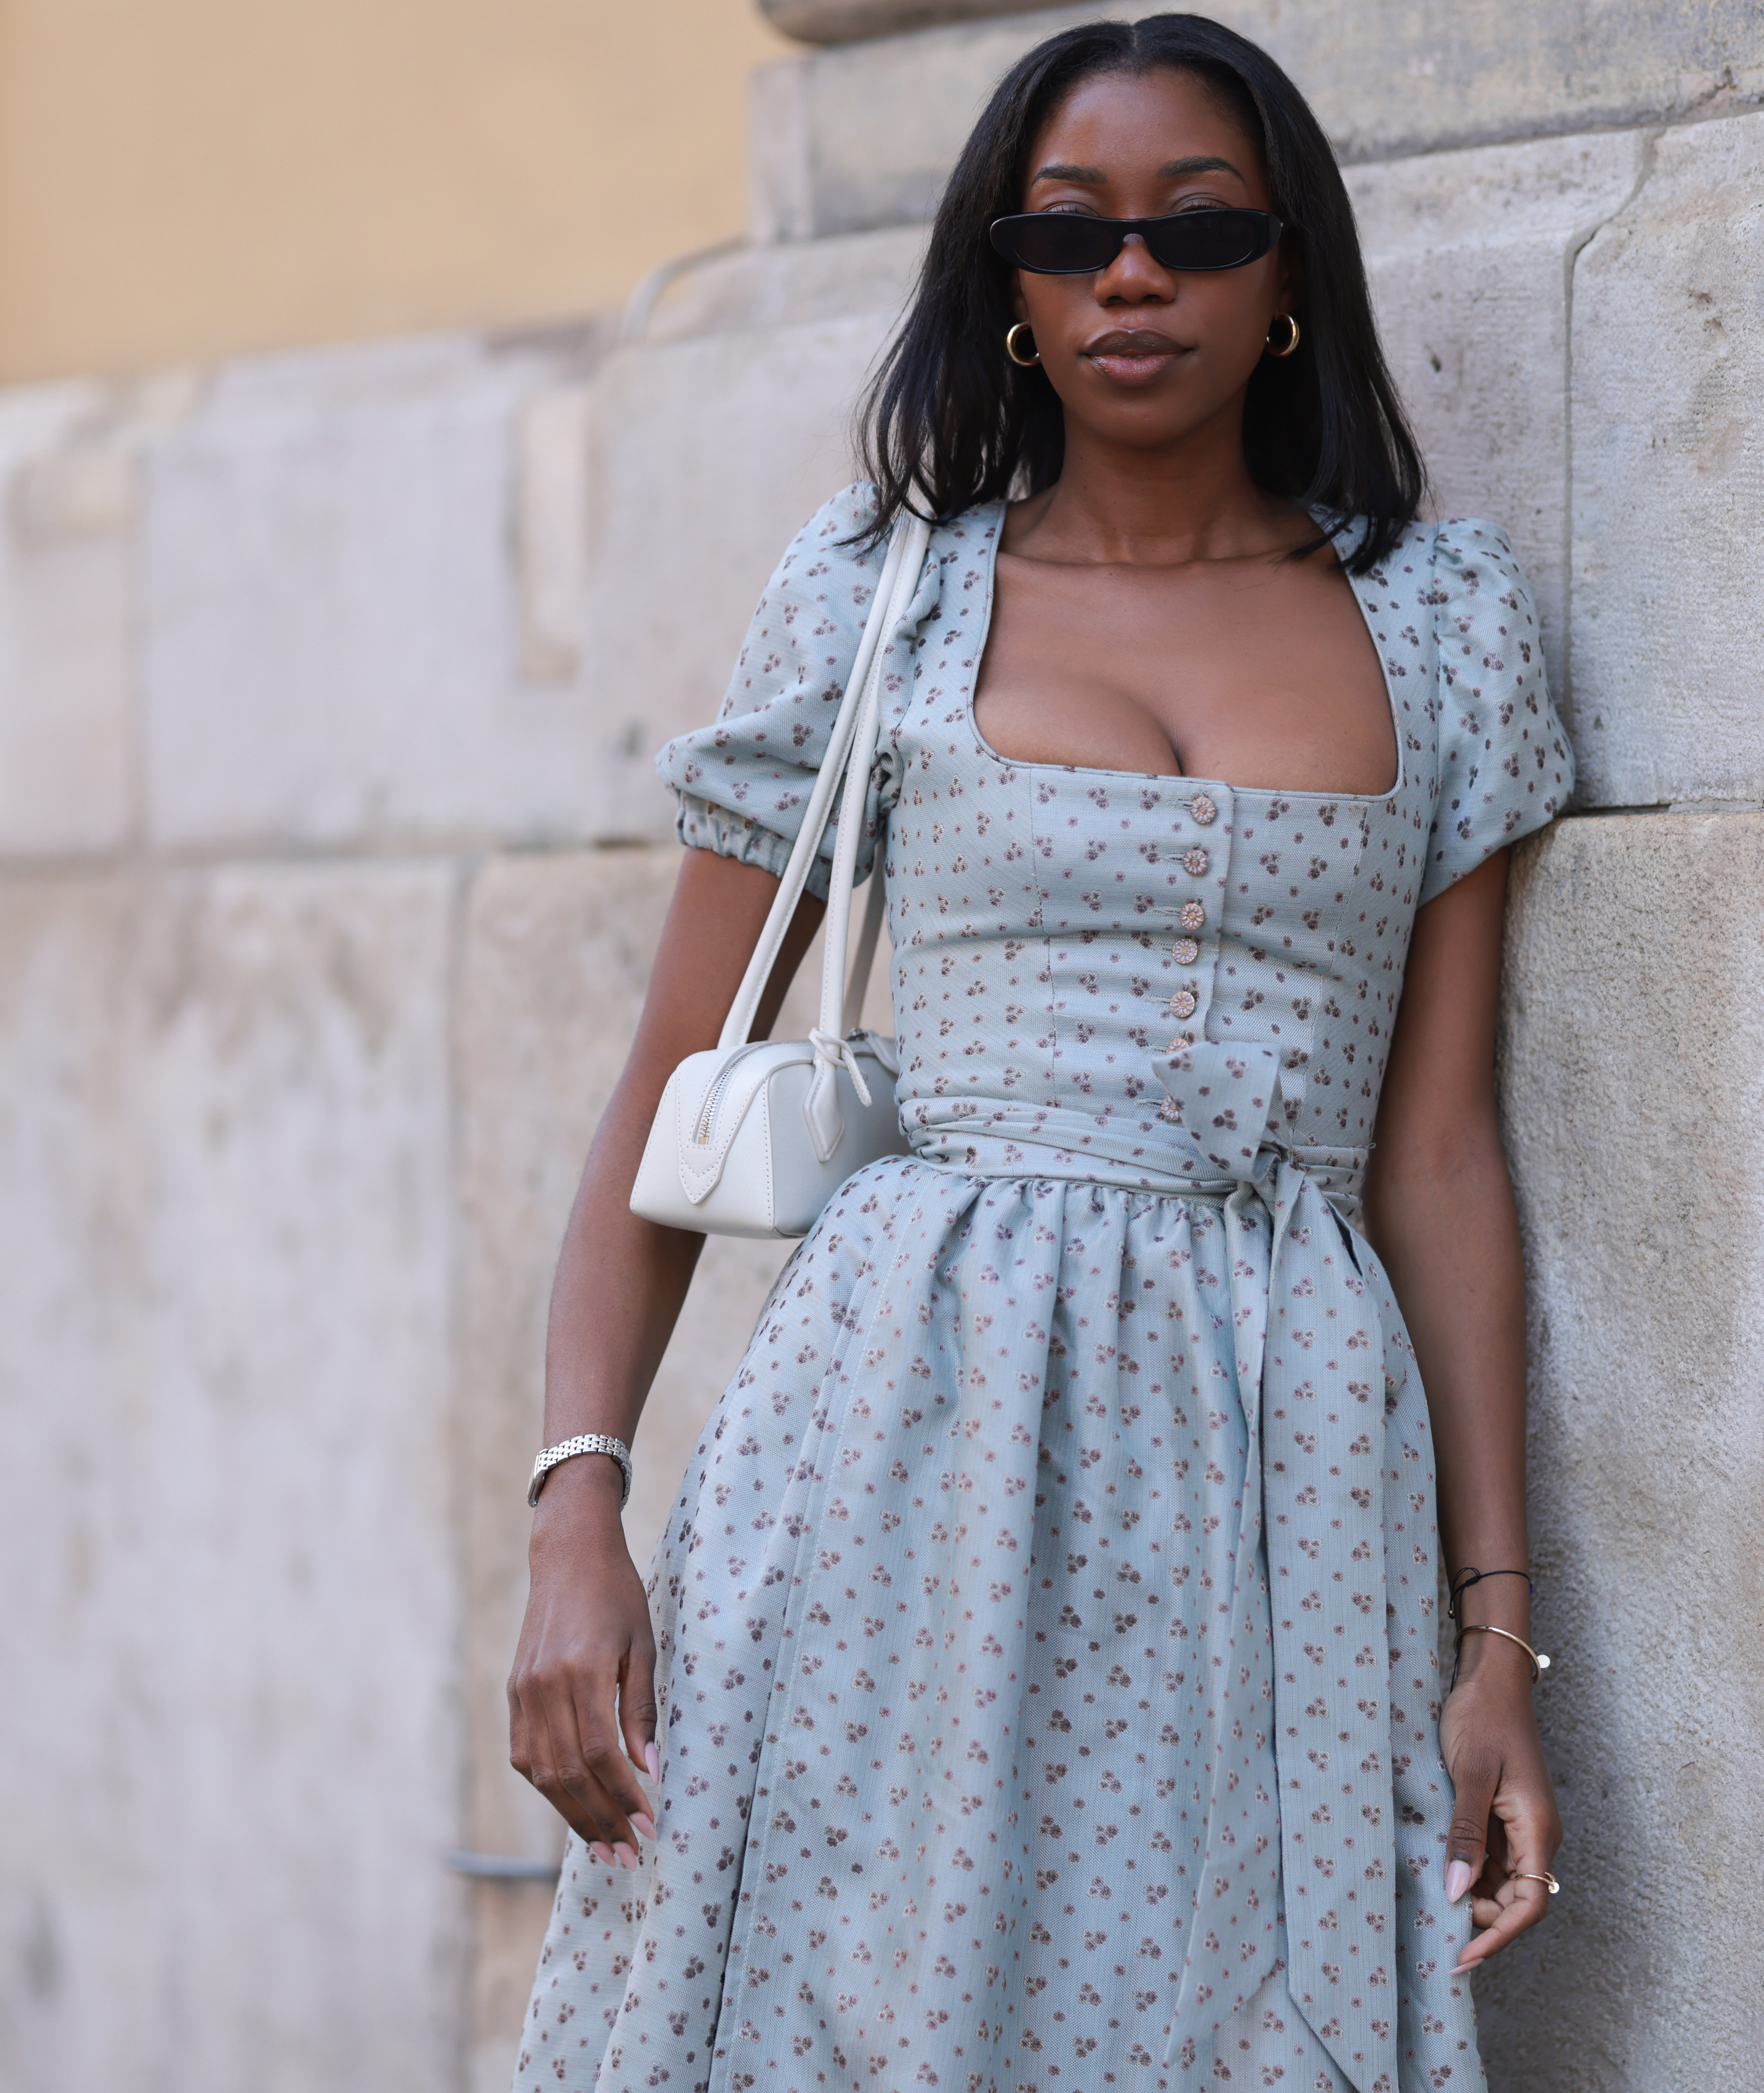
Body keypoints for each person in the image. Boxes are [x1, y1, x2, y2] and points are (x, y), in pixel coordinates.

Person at [503, 17, 1569, 2089]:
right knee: (847, 2006)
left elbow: (1435, 1154)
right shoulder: (877, 594)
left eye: (1196, 230)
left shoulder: (1441, 619)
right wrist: (572, 1512)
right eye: (1067, 237)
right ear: (1000, 285)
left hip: (1284, 1456)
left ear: (1286, 284)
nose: (1131, 280)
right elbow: (665, 1081)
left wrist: (1495, 1634)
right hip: (904, 1426)